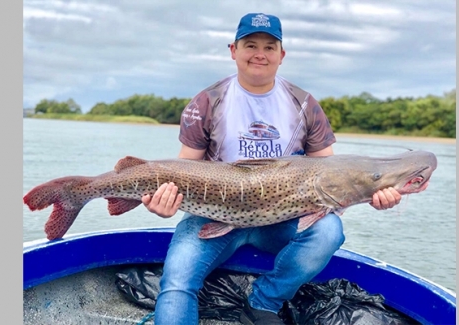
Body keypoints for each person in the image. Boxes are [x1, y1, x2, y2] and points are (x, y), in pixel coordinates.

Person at [141, 13, 402, 325]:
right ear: (233, 50)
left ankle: (263, 301)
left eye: (269, 46)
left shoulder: (304, 104)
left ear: (282, 55)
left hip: (282, 221)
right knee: (178, 279)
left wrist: (375, 192)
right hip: (211, 216)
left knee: (329, 231)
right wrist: (165, 202)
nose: (259, 54)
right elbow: (185, 167)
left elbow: (335, 173)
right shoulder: (206, 102)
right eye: (250, 45)